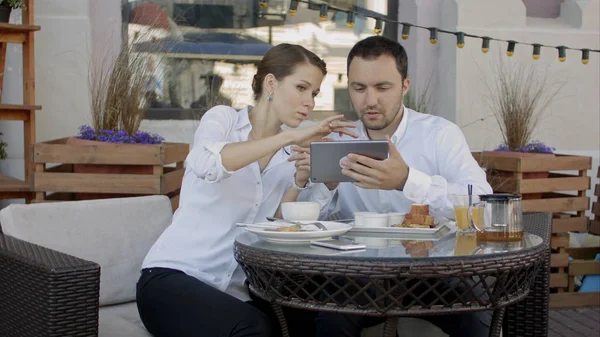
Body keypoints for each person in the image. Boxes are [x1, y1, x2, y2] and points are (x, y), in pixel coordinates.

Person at [136, 43, 357, 337]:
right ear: (270, 83)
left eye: (314, 93)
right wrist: (288, 137)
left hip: (239, 291)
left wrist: (302, 180)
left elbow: (276, 231)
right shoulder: (224, 120)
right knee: (255, 329)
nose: (310, 102)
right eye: (301, 88)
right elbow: (207, 163)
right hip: (172, 278)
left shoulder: (289, 154)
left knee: (318, 318)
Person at [300, 36, 494, 337]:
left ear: (405, 85)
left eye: (382, 87)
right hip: (359, 274)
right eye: (359, 88)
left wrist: (407, 181)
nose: (370, 100)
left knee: (479, 322)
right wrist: (326, 186)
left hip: (434, 272)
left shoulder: (439, 134)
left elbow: (480, 200)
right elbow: (312, 226)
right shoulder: (338, 143)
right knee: (331, 318)